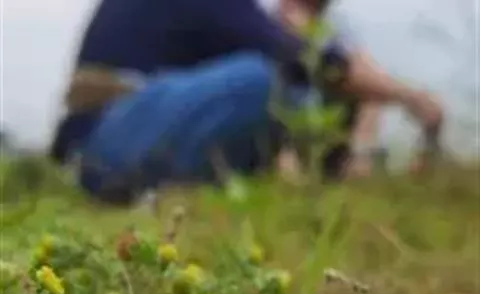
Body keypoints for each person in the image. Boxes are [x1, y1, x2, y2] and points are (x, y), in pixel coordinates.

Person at [50, 0, 443, 205]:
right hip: (107, 138)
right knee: (263, 82)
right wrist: (409, 97)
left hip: (118, 135)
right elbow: (307, 59)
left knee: (273, 88)